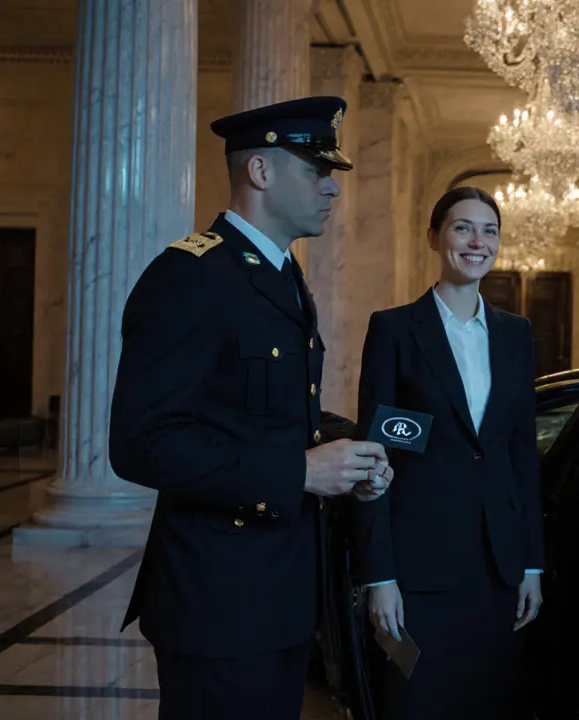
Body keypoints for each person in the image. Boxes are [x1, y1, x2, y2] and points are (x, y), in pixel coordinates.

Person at [107, 96, 393, 719]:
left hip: (280, 592)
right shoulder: (191, 275)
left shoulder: (281, 274)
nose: (331, 188)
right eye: (316, 171)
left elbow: (272, 414)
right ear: (260, 171)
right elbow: (141, 442)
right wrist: (299, 472)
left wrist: (349, 455)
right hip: (216, 599)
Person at [351, 186, 545, 719]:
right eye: (463, 228)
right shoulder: (394, 330)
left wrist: (532, 563)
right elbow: (378, 459)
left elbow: (521, 457)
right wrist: (380, 577)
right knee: (416, 702)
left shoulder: (515, 334)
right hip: (418, 571)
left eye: (489, 230)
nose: (478, 242)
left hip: (498, 569)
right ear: (434, 237)